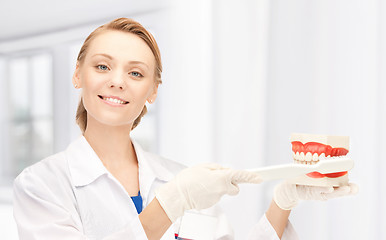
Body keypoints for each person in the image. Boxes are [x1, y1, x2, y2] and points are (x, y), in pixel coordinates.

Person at [13, 18, 357, 240]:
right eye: (102, 66)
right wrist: (172, 203)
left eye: (136, 73)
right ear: (78, 75)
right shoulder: (42, 185)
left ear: (152, 91)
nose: (117, 81)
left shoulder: (180, 178)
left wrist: (282, 203)